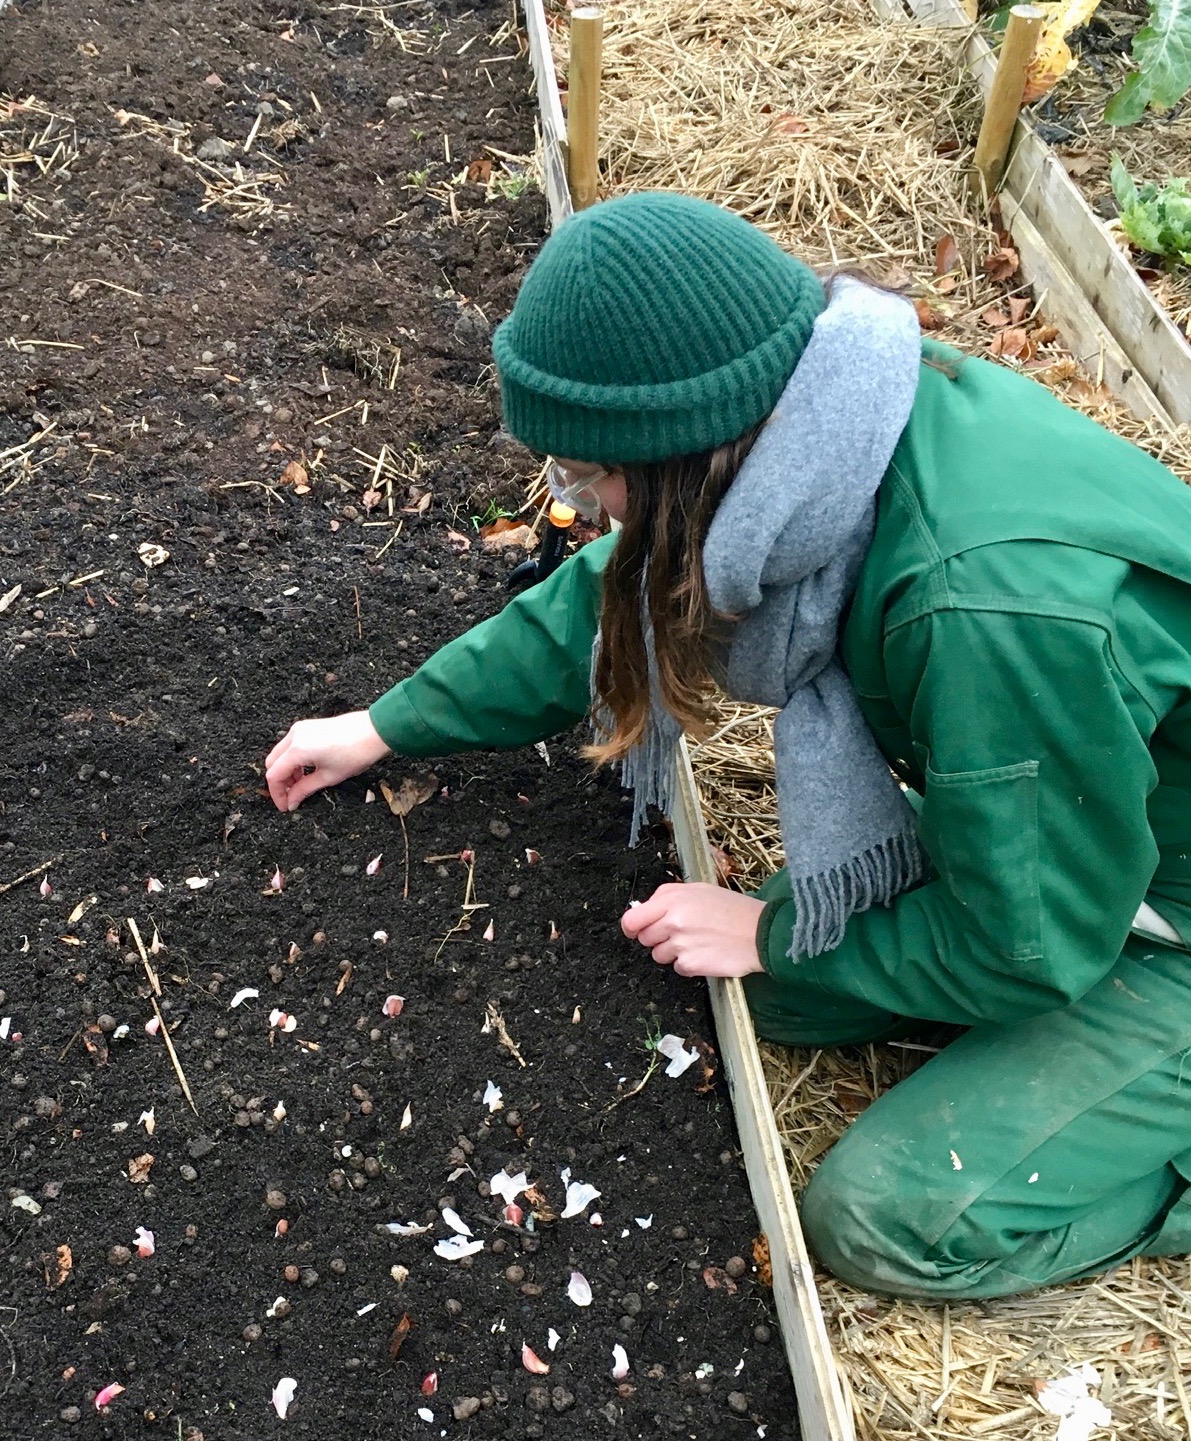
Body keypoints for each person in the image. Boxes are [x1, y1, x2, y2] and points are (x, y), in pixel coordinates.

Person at [263, 192, 1191, 1301]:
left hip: (1155, 911)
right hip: (1107, 826)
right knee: (770, 996)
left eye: (591, 476)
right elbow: (620, 595)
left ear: (687, 460)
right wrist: (385, 725)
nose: (586, 507)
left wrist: (778, 929)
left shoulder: (978, 612)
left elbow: (1031, 946)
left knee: (886, 1217)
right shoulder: (831, 422)